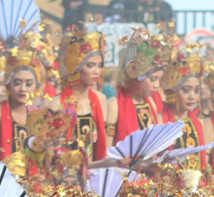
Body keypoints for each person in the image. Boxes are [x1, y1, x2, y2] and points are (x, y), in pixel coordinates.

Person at [109, 29, 167, 146]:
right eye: (152, 79)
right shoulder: (114, 105)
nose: (156, 85)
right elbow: (106, 150)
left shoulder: (151, 102)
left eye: (158, 79)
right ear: (136, 76)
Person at [58, 26, 108, 162]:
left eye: (99, 65)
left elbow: (104, 146)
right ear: (76, 66)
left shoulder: (100, 99)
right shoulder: (57, 103)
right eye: (90, 65)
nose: (96, 71)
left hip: (95, 174)